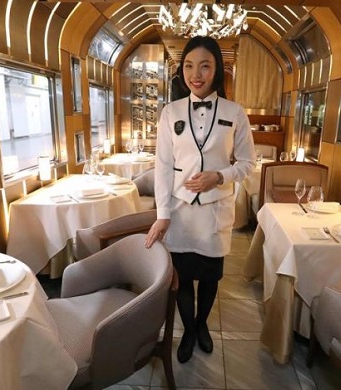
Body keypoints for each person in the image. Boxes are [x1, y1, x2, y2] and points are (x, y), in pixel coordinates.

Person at [145, 36, 255, 363]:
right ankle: (189, 329)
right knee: (183, 276)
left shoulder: (235, 113)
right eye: (190, 66)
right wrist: (162, 213)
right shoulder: (170, 112)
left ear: (216, 69)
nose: (197, 73)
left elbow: (248, 163)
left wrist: (219, 176)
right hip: (179, 212)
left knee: (209, 277)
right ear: (182, 70)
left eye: (205, 66)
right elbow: (162, 166)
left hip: (214, 212)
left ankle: (202, 324)